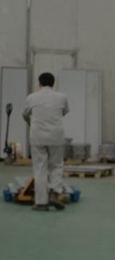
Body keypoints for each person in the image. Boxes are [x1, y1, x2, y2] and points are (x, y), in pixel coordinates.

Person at [24, 72, 69, 212]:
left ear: (40, 83)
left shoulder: (31, 97)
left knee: (40, 168)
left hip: (38, 137)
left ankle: (41, 203)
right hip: (56, 136)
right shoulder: (62, 97)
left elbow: (25, 114)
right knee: (56, 165)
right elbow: (64, 112)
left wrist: (31, 123)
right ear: (53, 83)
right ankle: (54, 194)